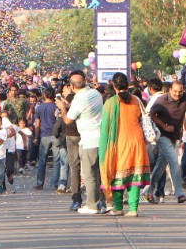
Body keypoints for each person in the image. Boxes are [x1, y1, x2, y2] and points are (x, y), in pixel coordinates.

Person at [98, 73, 152, 217]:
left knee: (117, 173)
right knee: (134, 175)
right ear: (127, 85)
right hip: (136, 141)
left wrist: (104, 149)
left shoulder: (110, 103)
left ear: (114, 86)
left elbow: (104, 129)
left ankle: (118, 207)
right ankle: (133, 209)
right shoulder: (136, 100)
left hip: (120, 142)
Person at [56, 71, 104, 214]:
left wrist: (63, 108)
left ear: (71, 86)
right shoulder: (95, 93)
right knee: (98, 173)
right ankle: (102, 202)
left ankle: (92, 205)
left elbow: (67, 120)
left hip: (88, 139)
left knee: (88, 175)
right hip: (100, 137)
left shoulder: (79, 99)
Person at [145, 81, 186, 204]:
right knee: (174, 161)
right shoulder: (161, 100)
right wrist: (164, 125)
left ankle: (146, 191)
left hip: (174, 137)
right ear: (170, 90)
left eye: (180, 91)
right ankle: (179, 194)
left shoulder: (185, 97)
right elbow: (151, 114)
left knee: (160, 166)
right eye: (175, 91)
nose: (178, 94)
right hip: (162, 136)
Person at [33, 89, 59, 188]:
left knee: (42, 160)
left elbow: (37, 123)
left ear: (44, 95)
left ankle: (39, 183)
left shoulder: (39, 108)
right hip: (56, 134)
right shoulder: (56, 106)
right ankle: (54, 184)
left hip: (44, 135)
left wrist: (36, 136)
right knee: (56, 160)